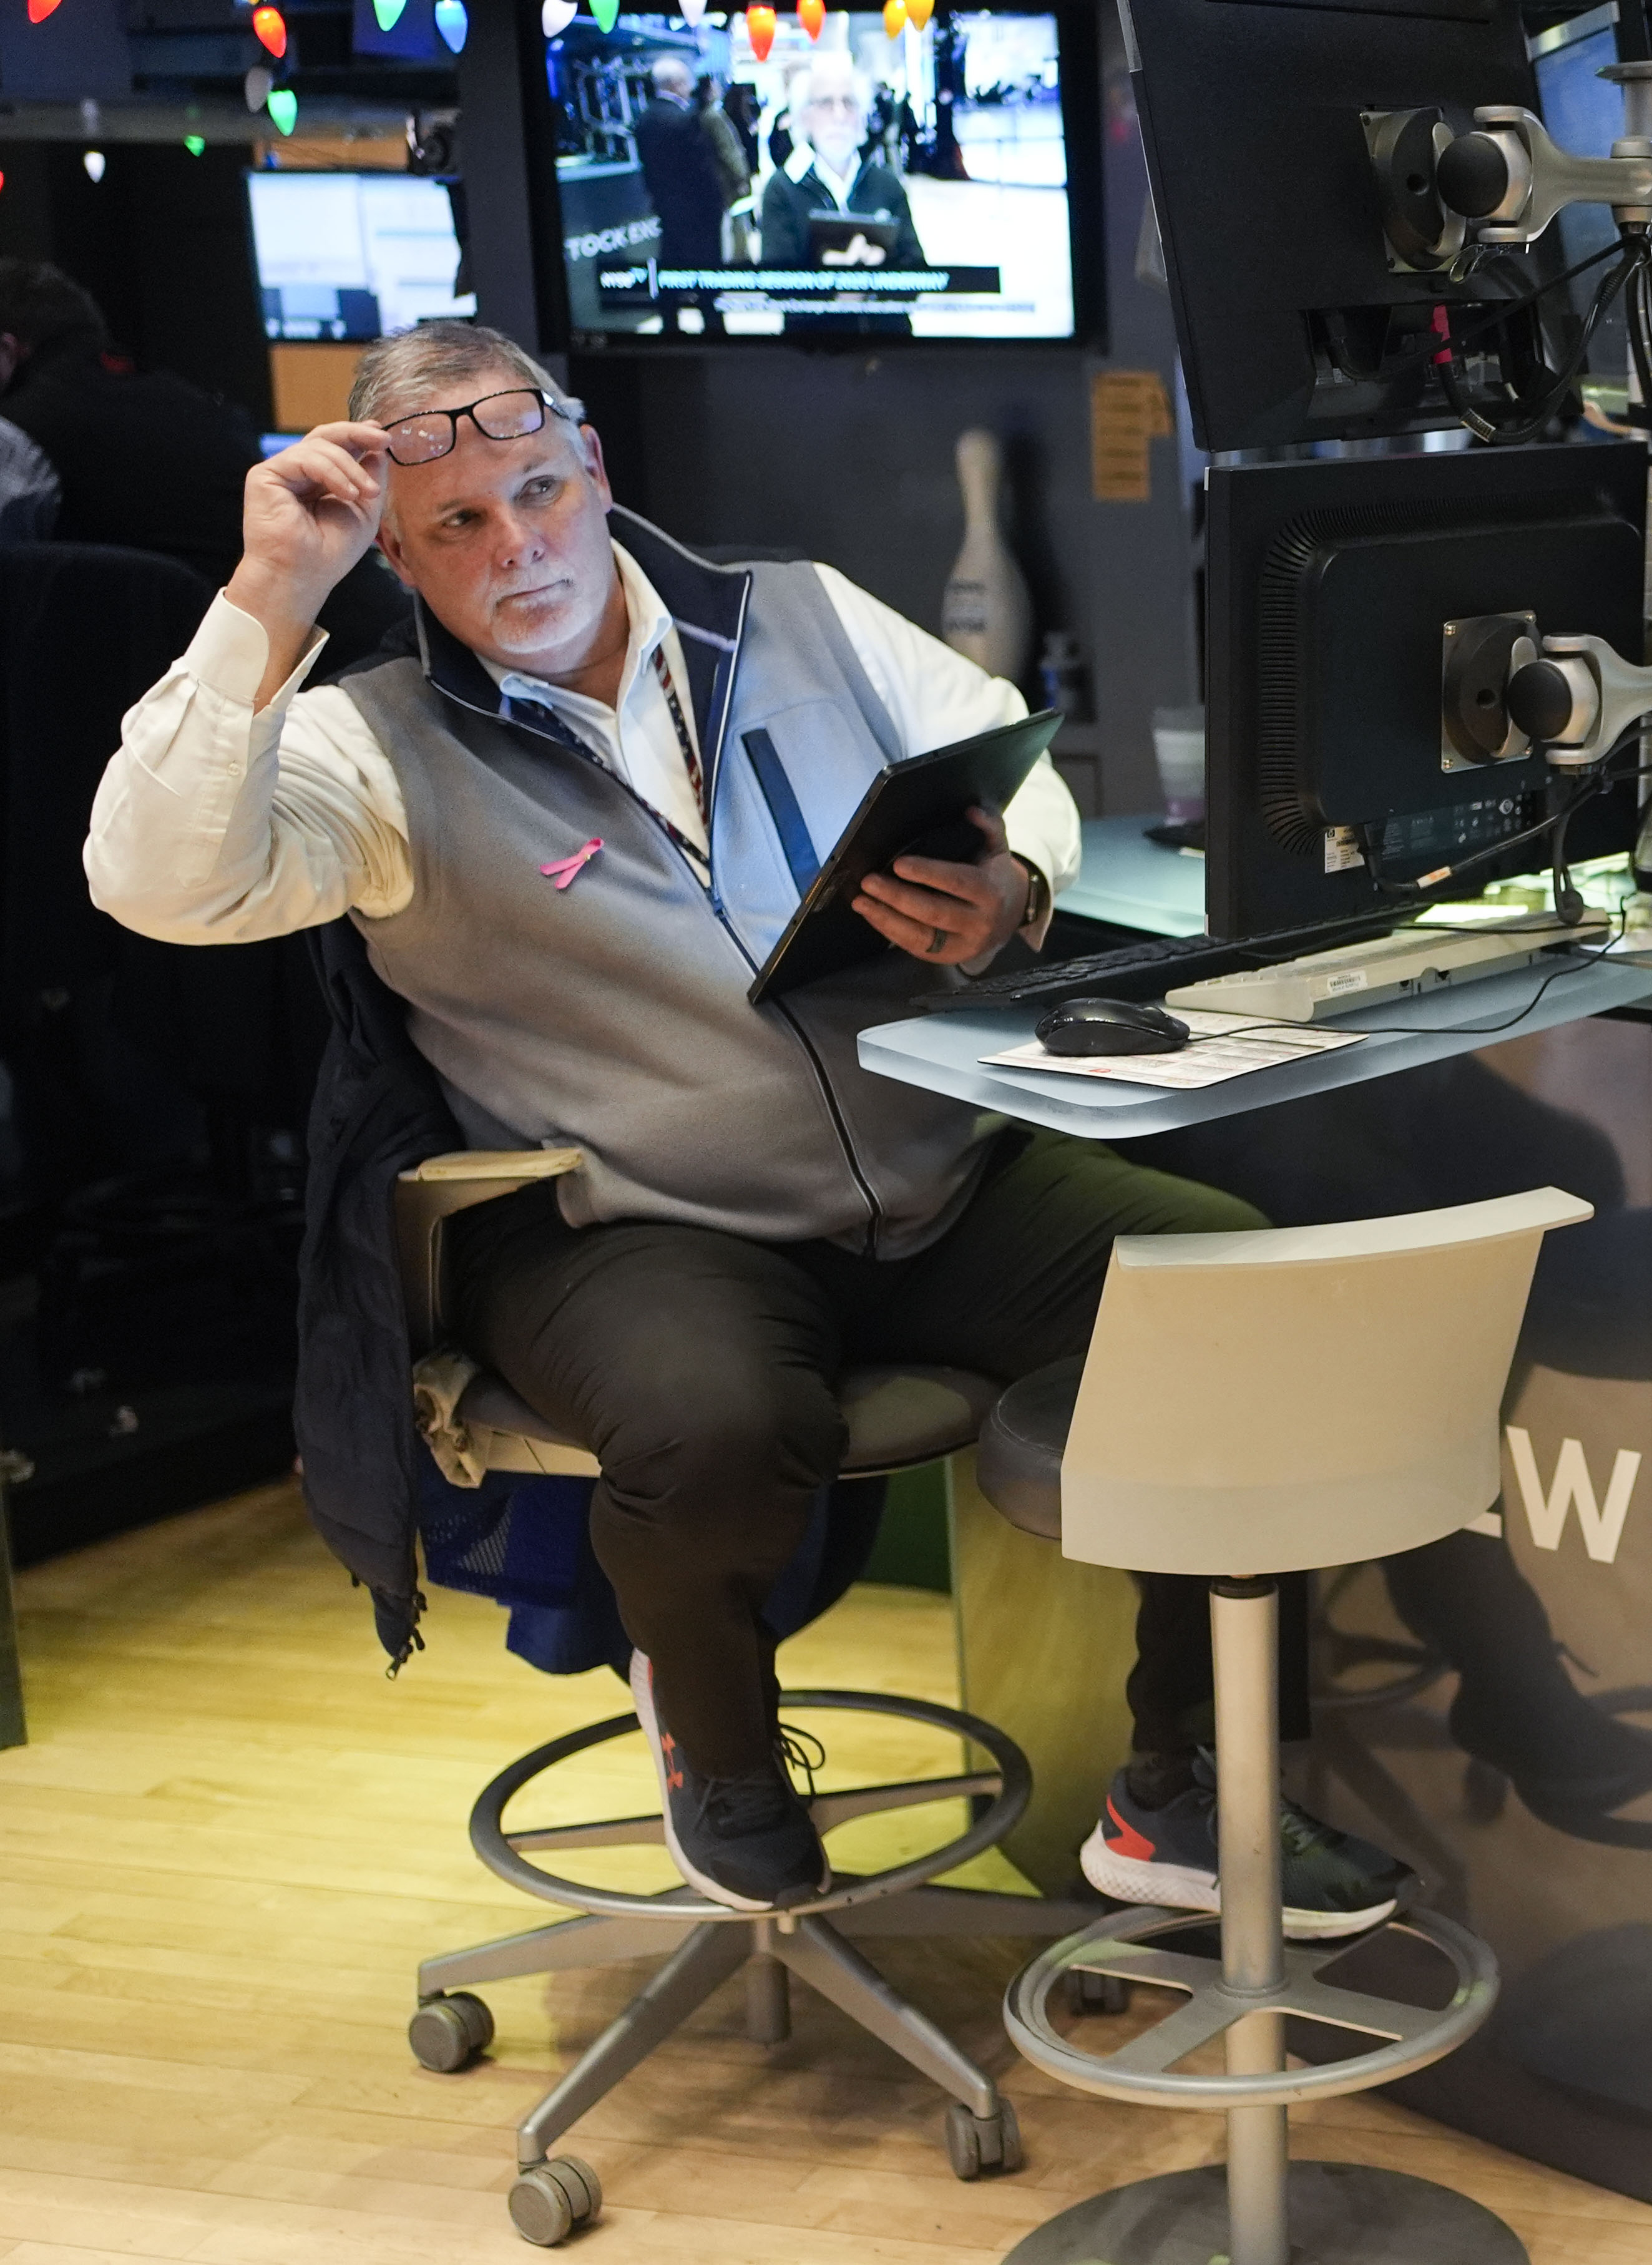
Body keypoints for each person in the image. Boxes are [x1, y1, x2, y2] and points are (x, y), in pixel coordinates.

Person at [79, 320, 1425, 1927]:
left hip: (936, 1172)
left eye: (539, 491)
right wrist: (267, 600)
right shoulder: (371, 741)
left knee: (1248, 1304)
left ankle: (1178, 1787)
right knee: (715, 1414)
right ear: (397, 546)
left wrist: (1013, 886)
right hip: (626, 1221)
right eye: (457, 526)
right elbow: (154, 881)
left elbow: (1008, 744)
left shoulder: (796, 611)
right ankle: (714, 1749)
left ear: (591, 464)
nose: (519, 546)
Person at [0, 260, 265, 584]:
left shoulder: (15, 436)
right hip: (249, 624)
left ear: (7, 348)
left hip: (104, 631)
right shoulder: (211, 411)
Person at [756, 53, 926, 271]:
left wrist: (879, 272)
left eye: (849, 102)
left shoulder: (887, 184)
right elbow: (774, 282)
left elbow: (918, 271)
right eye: (826, 103)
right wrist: (830, 279)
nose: (839, 115)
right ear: (805, 117)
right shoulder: (782, 190)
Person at [635, 54, 751, 275]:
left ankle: (669, 308)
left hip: (664, 206)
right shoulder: (686, 119)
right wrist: (718, 200)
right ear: (677, 84)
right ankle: (709, 307)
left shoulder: (644, 119)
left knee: (670, 261)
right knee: (707, 264)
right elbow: (702, 167)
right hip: (699, 209)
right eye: (688, 82)